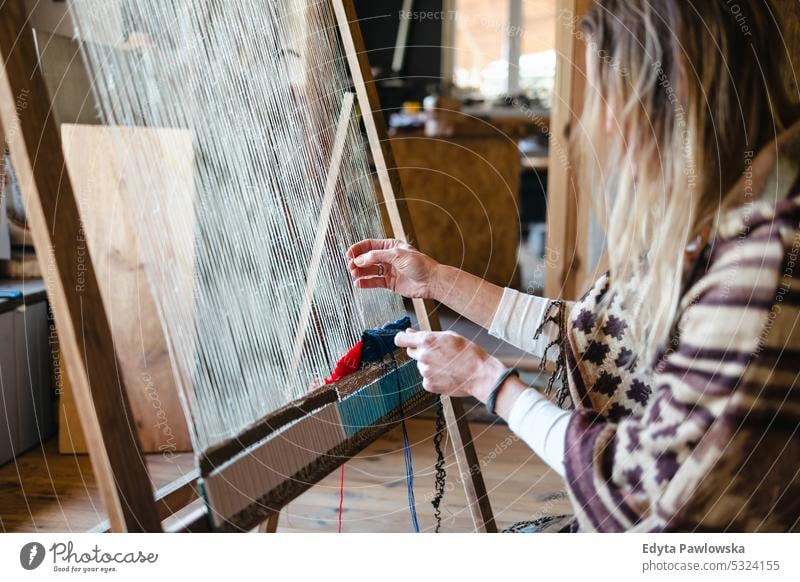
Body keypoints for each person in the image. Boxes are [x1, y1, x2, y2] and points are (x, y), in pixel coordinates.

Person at [347, 0, 800, 532]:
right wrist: (437, 280)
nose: (602, 122)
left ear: (674, 90)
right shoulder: (742, 222)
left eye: (610, 93)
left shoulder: (766, 260)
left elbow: (645, 495)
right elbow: (600, 336)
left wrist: (492, 385)